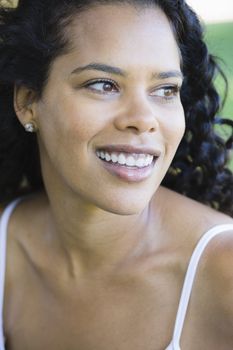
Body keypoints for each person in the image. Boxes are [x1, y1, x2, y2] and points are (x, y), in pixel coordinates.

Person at [0, 0, 233, 349]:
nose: (143, 117)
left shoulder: (224, 276)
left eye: (165, 89)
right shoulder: (5, 245)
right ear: (28, 100)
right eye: (104, 84)